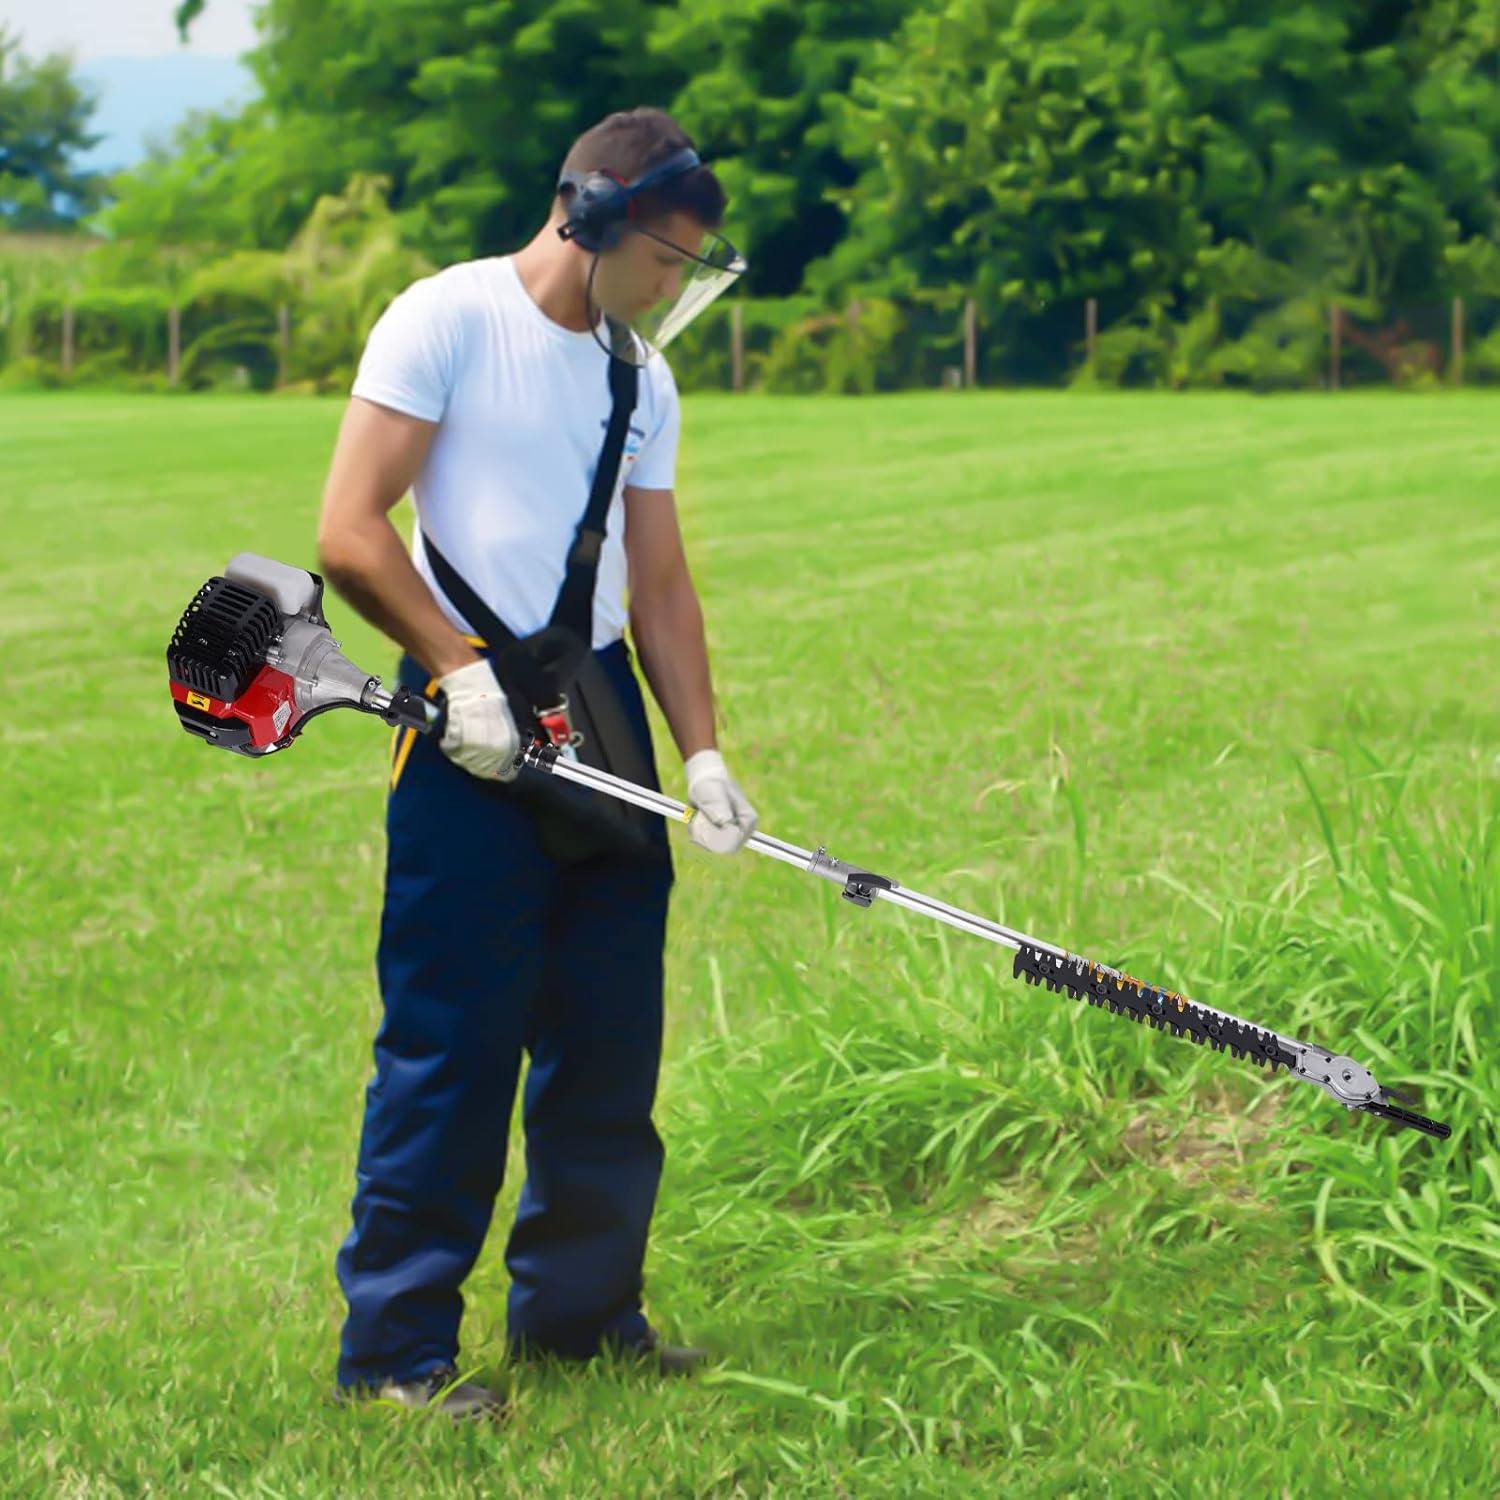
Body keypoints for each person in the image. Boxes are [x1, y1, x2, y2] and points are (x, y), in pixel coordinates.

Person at [314, 106, 758, 1422]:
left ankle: (580, 1319)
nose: (676, 286)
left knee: (610, 1037)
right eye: (669, 259)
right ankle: (393, 1356)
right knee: (455, 1040)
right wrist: (453, 670)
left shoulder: (642, 379)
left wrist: (706, 750)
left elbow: (661, 579)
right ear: (597, 218)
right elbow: (349, 528)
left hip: (596, 709)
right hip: (463, 715)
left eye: (690, 268)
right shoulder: (446, 319)